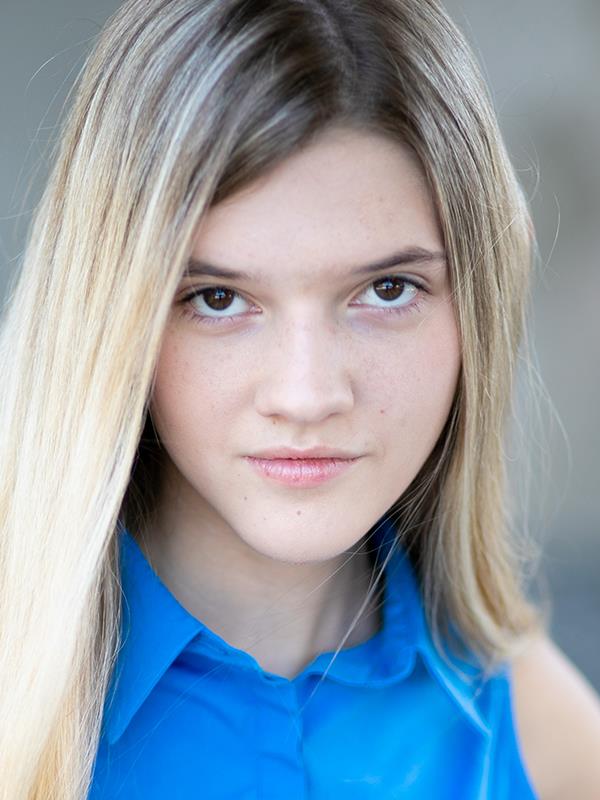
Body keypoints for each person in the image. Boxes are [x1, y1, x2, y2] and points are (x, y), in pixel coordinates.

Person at [0, 0, 599, 797]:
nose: (308, 395)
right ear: (108, 314)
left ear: (478, 310)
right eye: (218, 299)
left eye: (387, 290)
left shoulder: (539, 737)